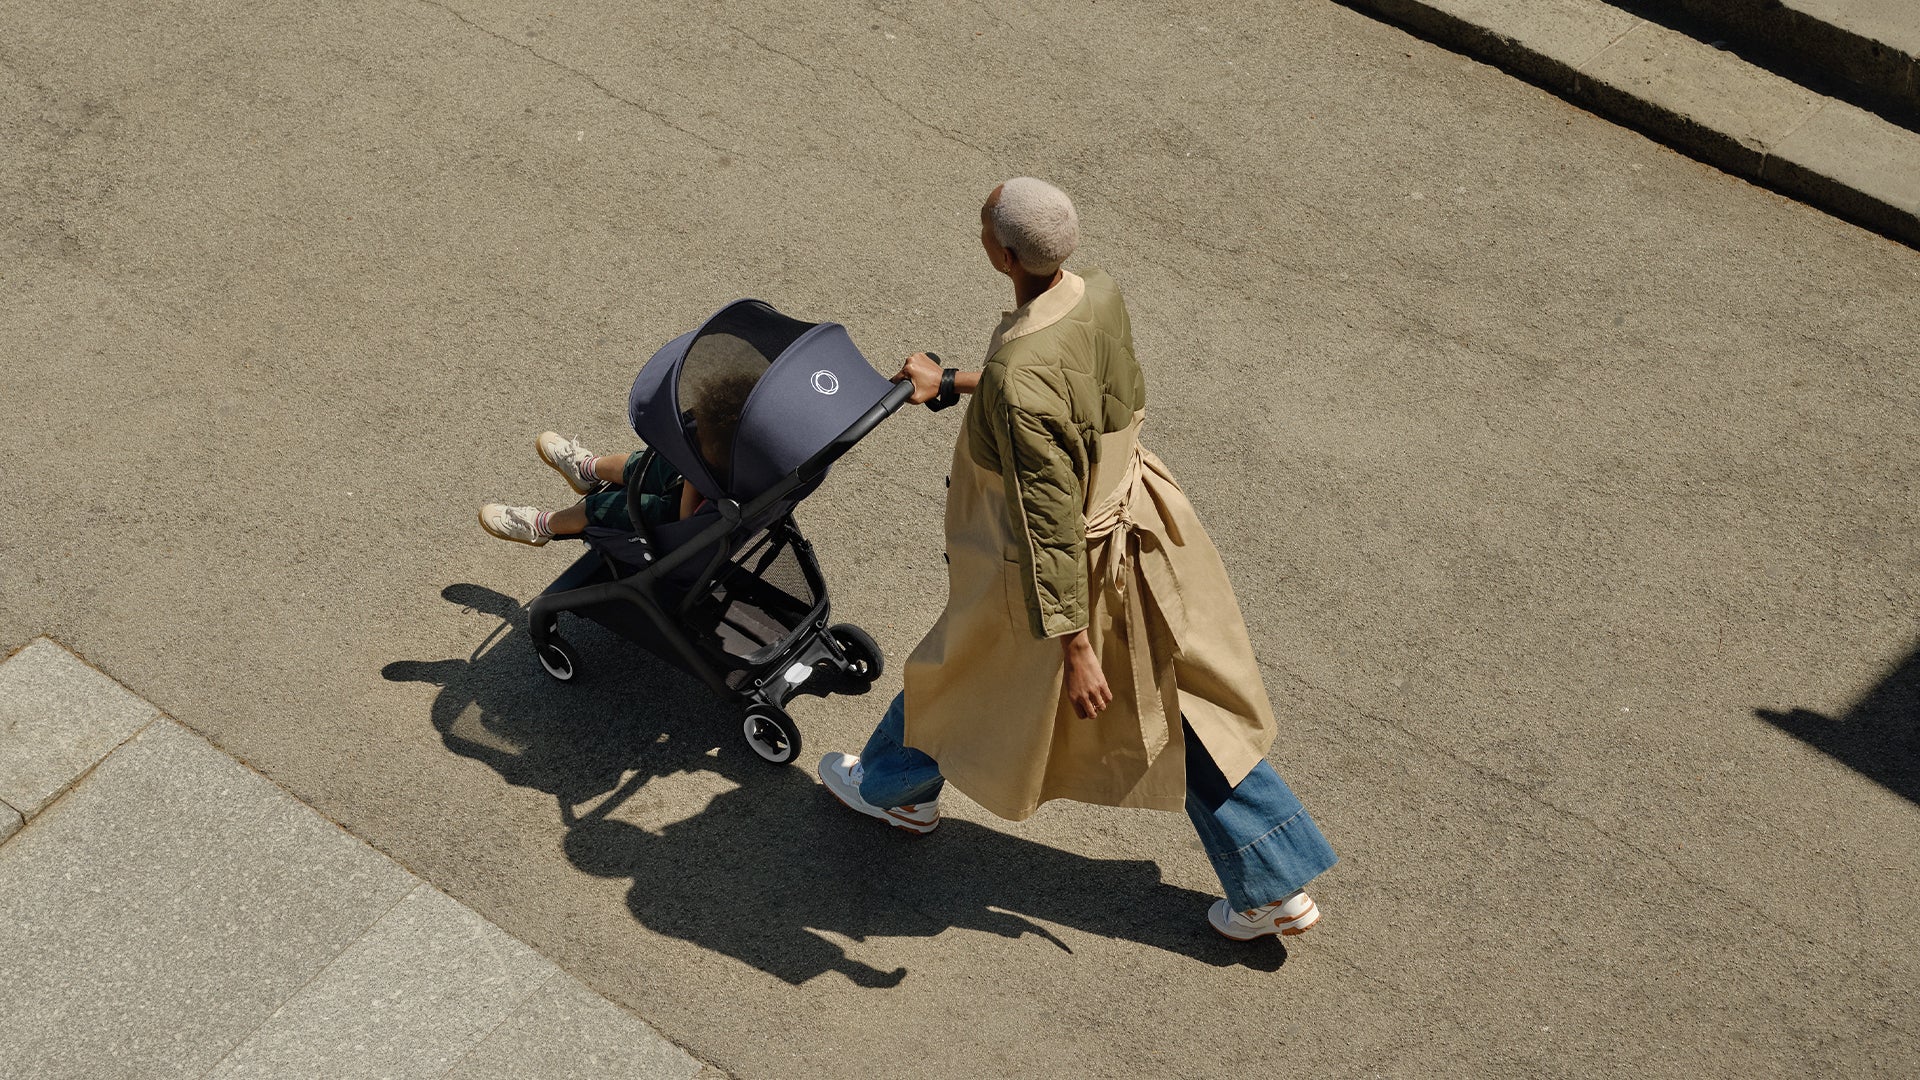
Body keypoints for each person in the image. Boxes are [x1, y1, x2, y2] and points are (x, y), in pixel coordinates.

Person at [817, 177, 1337, 941]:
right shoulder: (1097, 294)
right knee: (1173, 702)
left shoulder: (1019, 380)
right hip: (1137, 521)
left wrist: (1076, 646)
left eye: (984, 226)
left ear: (1003, 256)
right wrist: (952, 383)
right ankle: (1273, 875)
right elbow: (1054, 391)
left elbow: (1048, 519)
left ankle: (891, 789)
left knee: (963, 672)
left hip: (1055, 573)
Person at [478, 370, 758, 546]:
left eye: (702, 438)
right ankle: (587, 469)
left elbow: (687, 522)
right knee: (647, 463)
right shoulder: (744, 458)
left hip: (677, 520)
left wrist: (692, 479)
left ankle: (544, 525)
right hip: (698, 481)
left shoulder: (714, 485)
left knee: (601, 507)